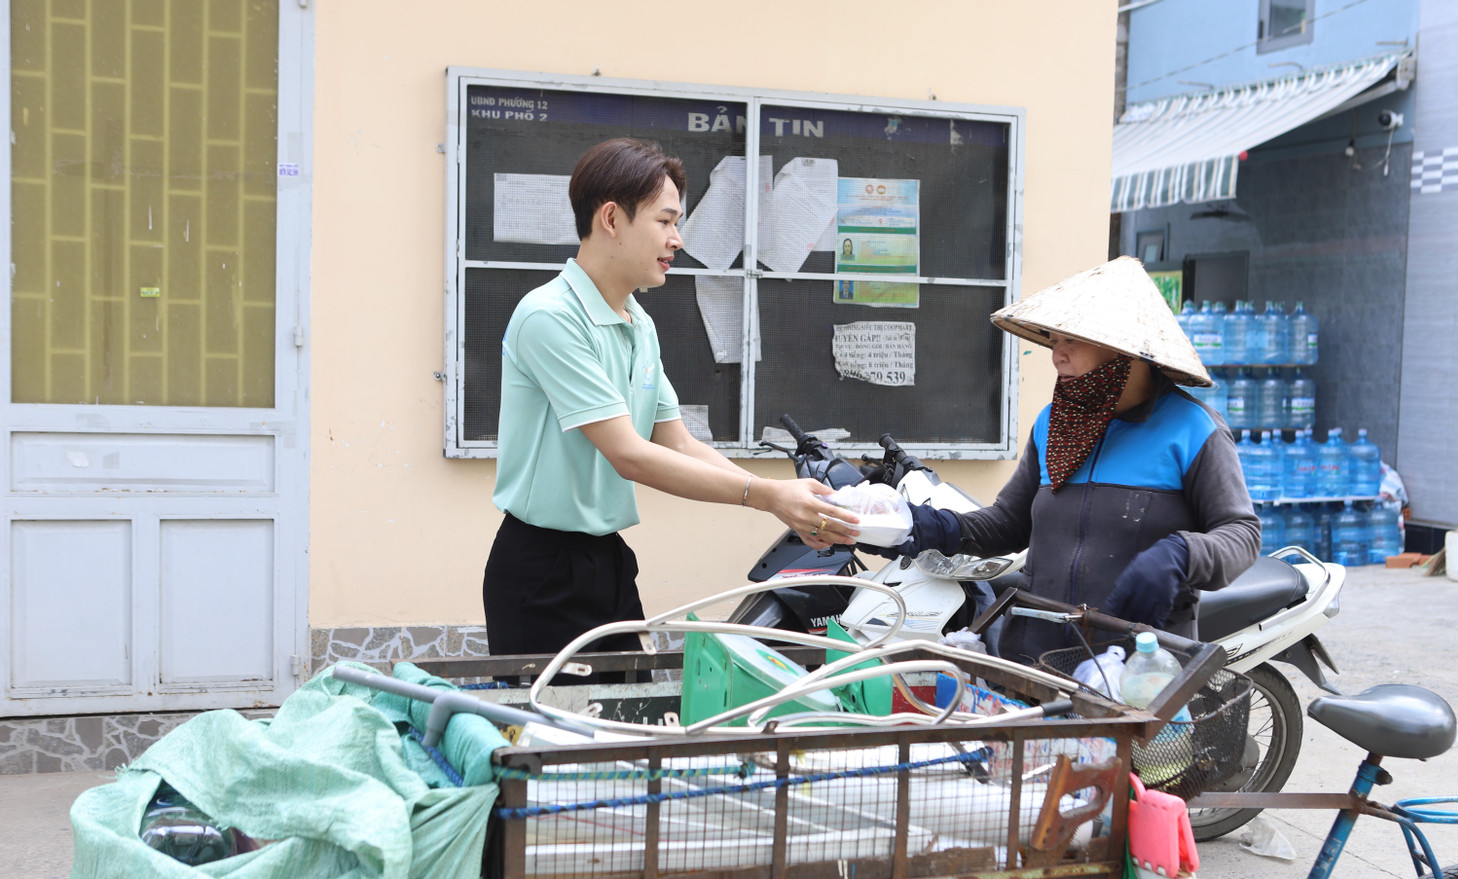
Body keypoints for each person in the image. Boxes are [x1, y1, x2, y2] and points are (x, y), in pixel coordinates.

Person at [483, 138, 859, 671]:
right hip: (541, 568)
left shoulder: (639, 324)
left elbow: (676, 440)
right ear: (611, 218)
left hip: (607, 559)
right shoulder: (550, 316)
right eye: (664, 221)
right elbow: (629, 454)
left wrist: (779, 499)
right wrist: (769, 495)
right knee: (559, 743)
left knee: (627, 726)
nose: (677, 239)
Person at [899, 256, 1259, 664]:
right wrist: (923, 525)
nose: (1058, 356)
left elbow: (1241, 534)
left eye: (1073, 340)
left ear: (1127, 347)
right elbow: (1009, 524)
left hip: (1135, 672)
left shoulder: (1193, 430)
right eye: (1054, 341)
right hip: (1037, 659)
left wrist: (1179, 554)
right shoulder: (1053, 424)